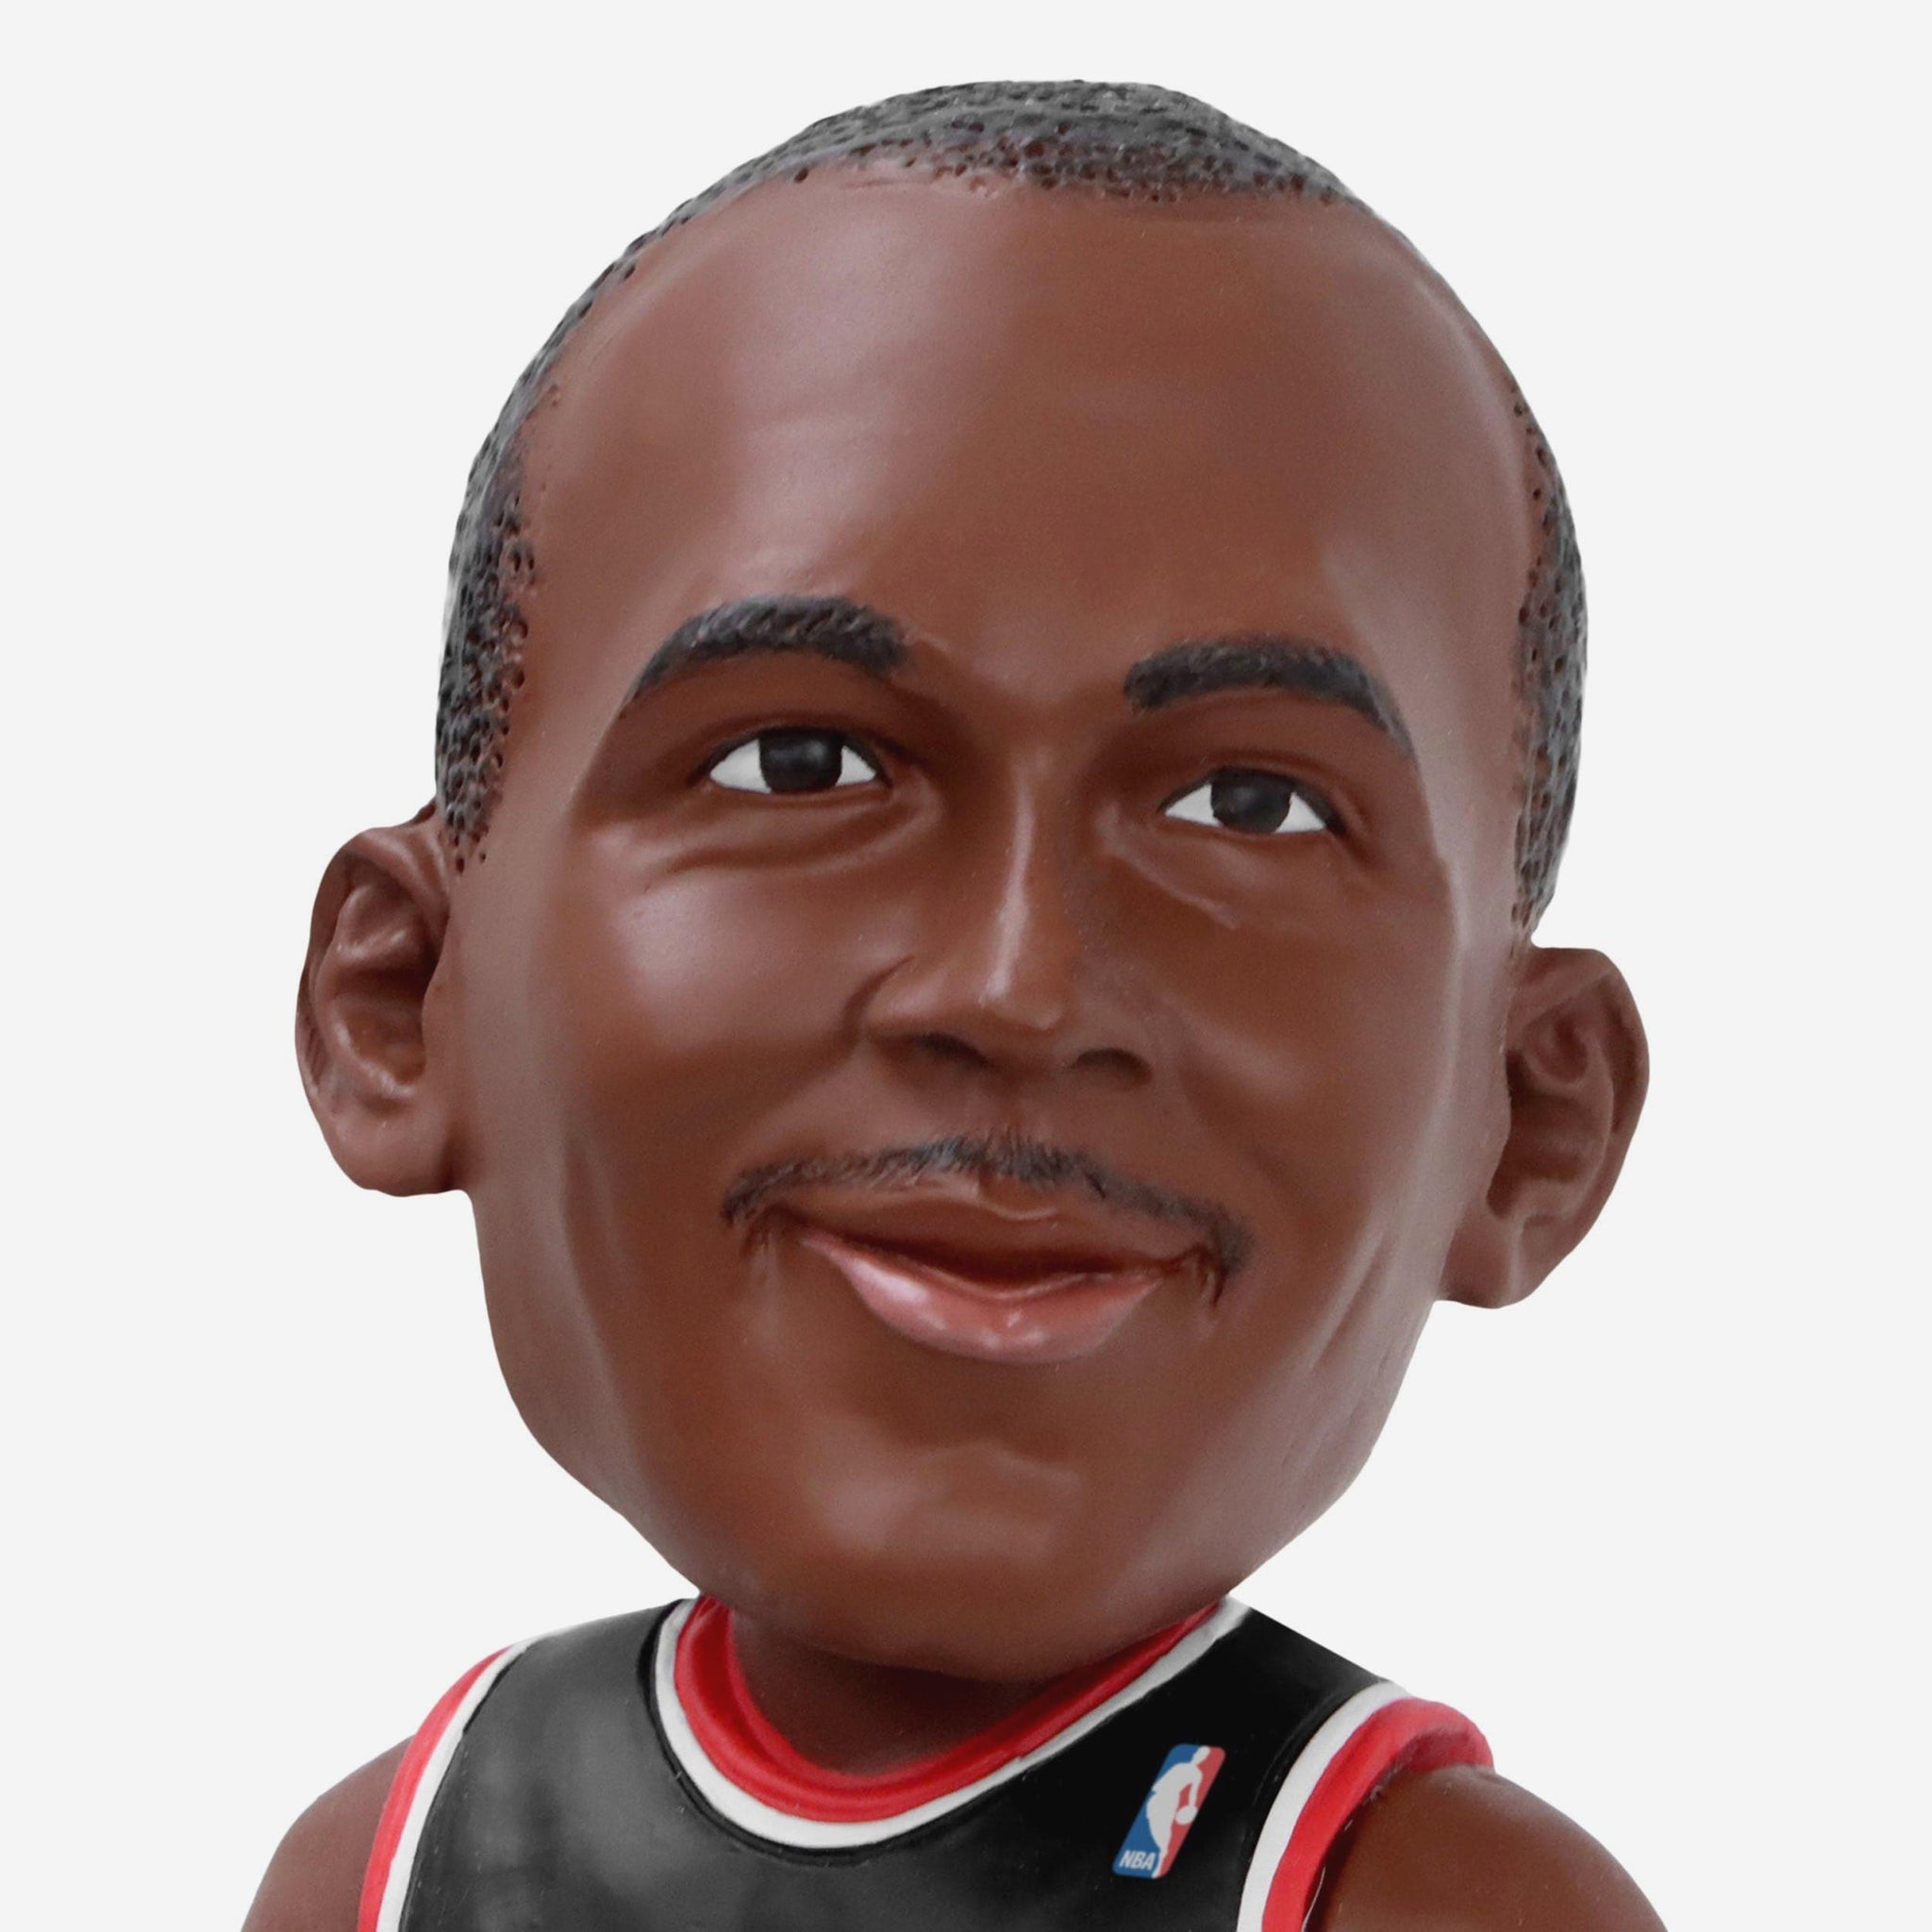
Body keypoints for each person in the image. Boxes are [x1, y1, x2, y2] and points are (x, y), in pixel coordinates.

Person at [250, 79, 1659, 1930]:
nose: (1018, 988)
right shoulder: (398, 1862)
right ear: (400, 1000)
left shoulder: (1416, 1901)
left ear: (1529, 1118)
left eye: (1248, 806)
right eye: (802, 765)